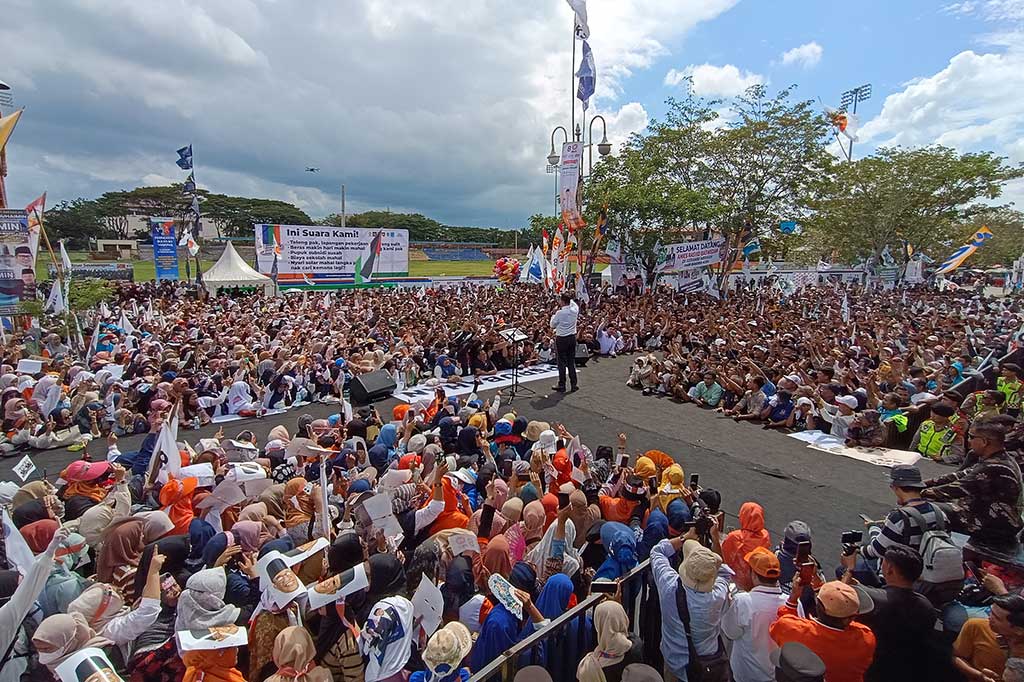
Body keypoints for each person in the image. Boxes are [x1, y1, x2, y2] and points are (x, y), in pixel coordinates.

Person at [842, 545, 959, 681]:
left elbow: (838, 596)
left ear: (890, 569)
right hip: (906, 670)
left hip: (870, 668)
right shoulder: (927, 607)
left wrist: (849, 568)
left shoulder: (874, 600)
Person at [649, 528, 732, 681]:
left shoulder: (669, 585)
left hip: (675, 664)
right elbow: (724, 572)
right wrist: (714, 539)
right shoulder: (717, 596)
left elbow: (657, 552)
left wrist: (684, 537)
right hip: (708, 666)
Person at [922, 421, 1024, 545]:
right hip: (987, 513)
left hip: (992, 524)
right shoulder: (1000, 458)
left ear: (985, 441)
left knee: (921, 507)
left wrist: (918, 491)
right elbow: (962, 474)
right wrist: (926, 482)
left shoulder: (995, 466)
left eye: (971, 437)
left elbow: (956, 489)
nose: (968, 441)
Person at [768, 576, 876, 682]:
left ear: (817, 606)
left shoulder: (793, 628)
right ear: (852, 617)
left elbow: (780, 624)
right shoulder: (866, 637)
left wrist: (793, 598)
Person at [721, 547, 788, 682]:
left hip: (745, 674)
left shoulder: (743, 601)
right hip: (777, 676)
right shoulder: (792, 603)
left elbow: (730, 632)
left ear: (754, 575)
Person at [549, 292, 579, 393]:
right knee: (571, 362)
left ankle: (562, 385)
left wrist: (553, 314)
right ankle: (574, 384)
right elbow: (573, 303)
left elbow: (552, 325)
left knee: (561, 362)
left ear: (562, 301)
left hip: (561, 339)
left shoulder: (559, 313)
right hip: (572, 338)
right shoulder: (575, 310)